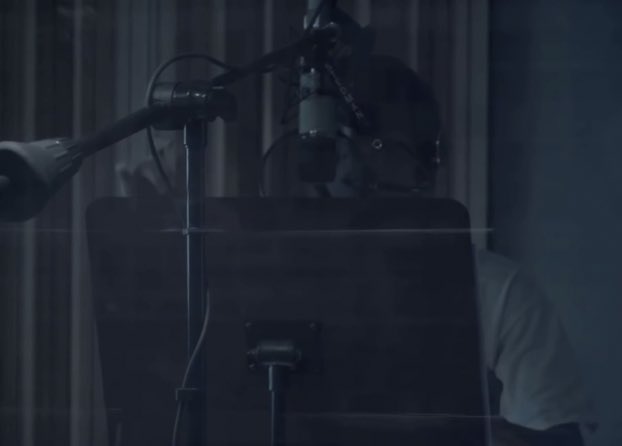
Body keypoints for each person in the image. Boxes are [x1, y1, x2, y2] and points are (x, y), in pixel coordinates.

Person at [262, 53, 595, 445]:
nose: (354, 166)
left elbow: (559, 437)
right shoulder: (276, 286)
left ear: (426, 163)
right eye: (340, 145)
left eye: (376, 144)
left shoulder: (499, 291)